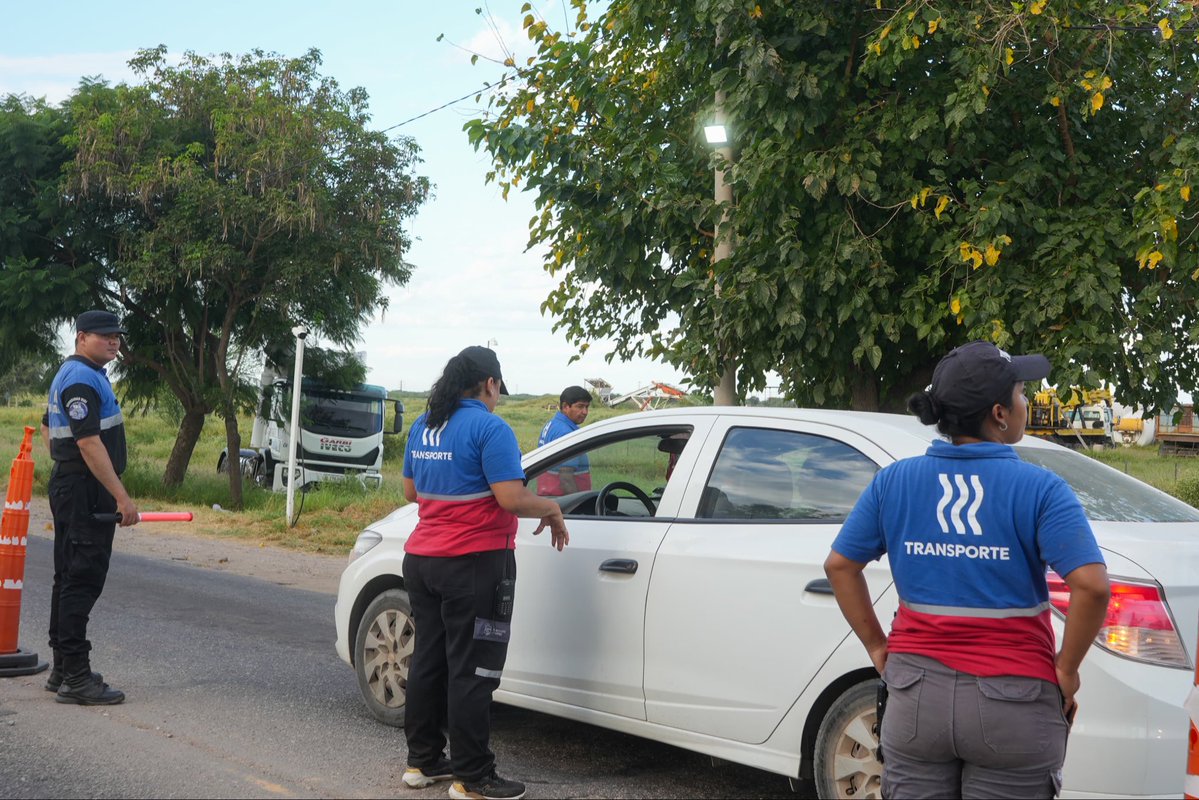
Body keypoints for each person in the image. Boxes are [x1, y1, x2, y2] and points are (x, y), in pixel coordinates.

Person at [823, 341, 1111, 799]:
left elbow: (840, 566)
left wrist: (879, 646)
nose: (1025, 403)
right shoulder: (1040, 489)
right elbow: (1092, 588)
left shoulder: (895, 481)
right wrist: (1067, 671)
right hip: (1015, 704)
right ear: (999, 413)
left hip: (915, 698)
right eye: (1021, 392)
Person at [400, 345, 569, 800]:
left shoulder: (424, 424)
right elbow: (511, 499)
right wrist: (551, 506)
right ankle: (472, 777)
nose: (498, 398)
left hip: (422, 561)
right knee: (473, 669)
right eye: (498, 390)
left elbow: (412, 491)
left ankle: (423, 761)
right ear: (490, 383)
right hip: (474, 564)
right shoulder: (491, 428)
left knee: (430, 661)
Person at [40, 310, 139, 706]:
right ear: (82, 337)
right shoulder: (81, 378)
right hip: (85, 490)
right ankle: (76, 677)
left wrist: (64, 466)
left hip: (74, 485)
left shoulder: (79, 373)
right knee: (82, 577)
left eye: (116, 336)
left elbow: (48, 427)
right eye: (104, 336)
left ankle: (64, 668)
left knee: (68, 576)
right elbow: (88, 443)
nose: (114, 342)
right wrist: (121, 496)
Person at [536, 385, 591, 496]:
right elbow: (566, 479)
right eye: (580, 407)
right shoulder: (567, 434)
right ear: (566, 406)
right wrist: (578, 507)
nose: (585, 412)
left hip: (548, 495)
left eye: (587, 407)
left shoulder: (553, 424)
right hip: (563, 502)